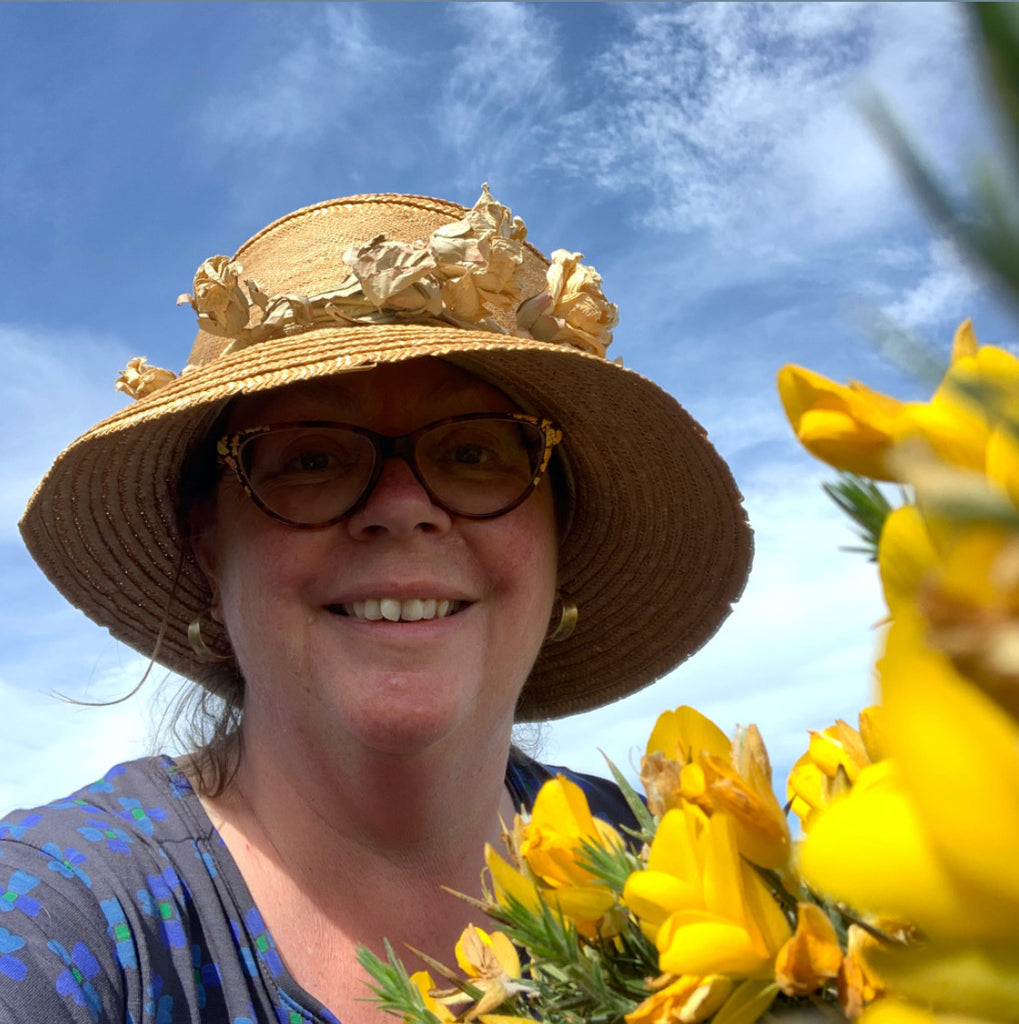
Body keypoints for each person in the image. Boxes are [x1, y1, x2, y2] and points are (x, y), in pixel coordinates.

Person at [1, 186, 752, 1023]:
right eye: (310, 459)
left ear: (557, 538)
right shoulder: (61, 914)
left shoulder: (677, 863)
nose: (401, 506)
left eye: (474, 452)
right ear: (210, 550)